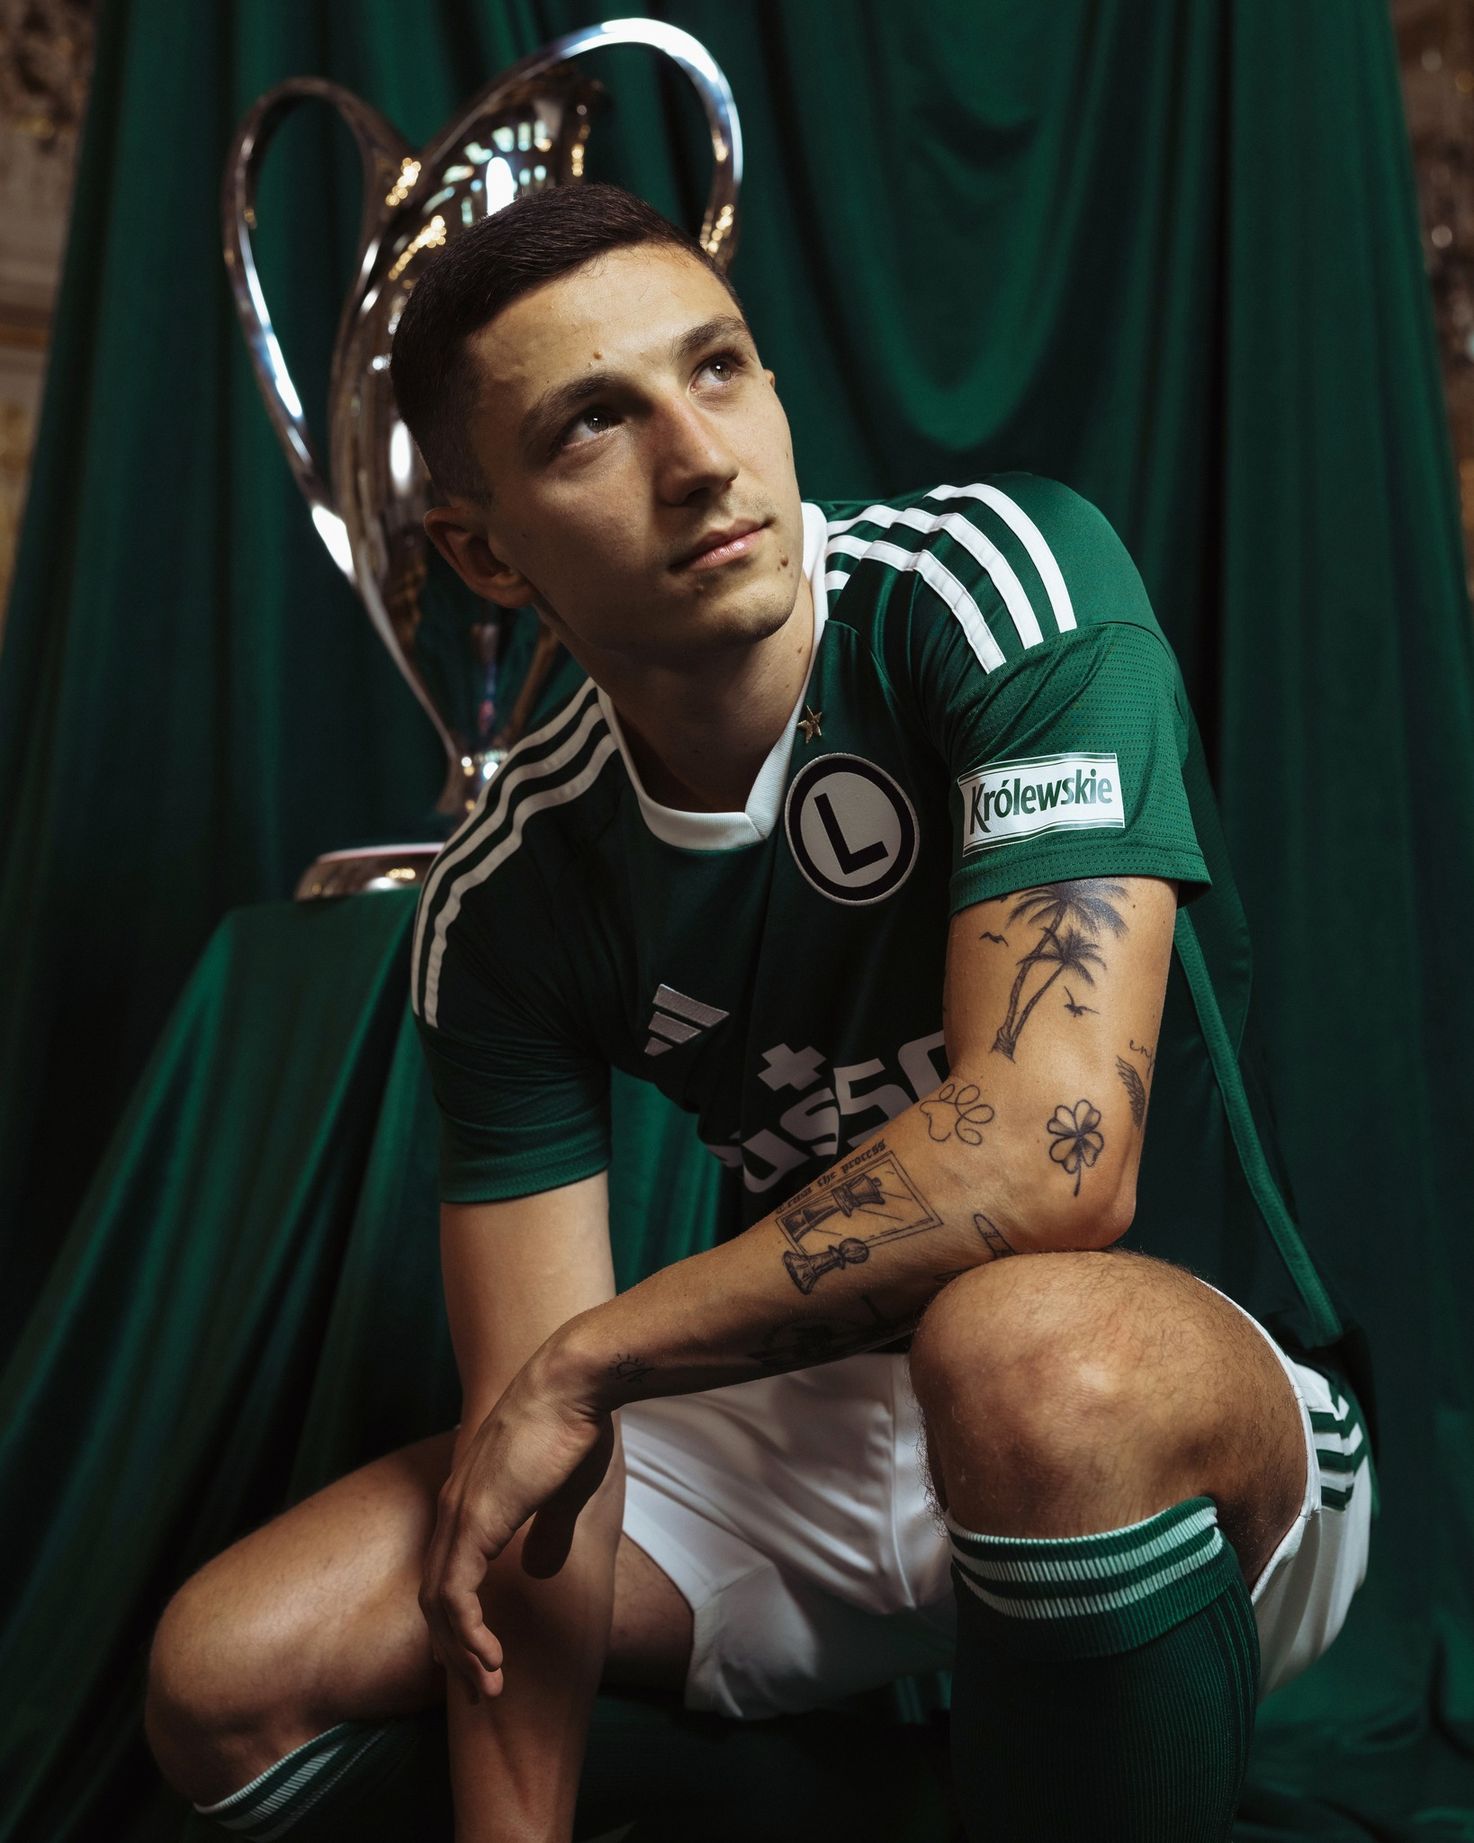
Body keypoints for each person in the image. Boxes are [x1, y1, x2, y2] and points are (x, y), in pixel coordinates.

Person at [144, 184, 1377, 1843]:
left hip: (1178, 1412)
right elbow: (534, 1474)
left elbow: (1053, 1157)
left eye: (716, 368)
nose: (699, 458)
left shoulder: (986, 585)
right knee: (226, 1674)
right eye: (592, 422)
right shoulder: (507, 892)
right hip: (822, 1422)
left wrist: (594, 1361)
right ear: (485, 550)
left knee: (1025, 1352)